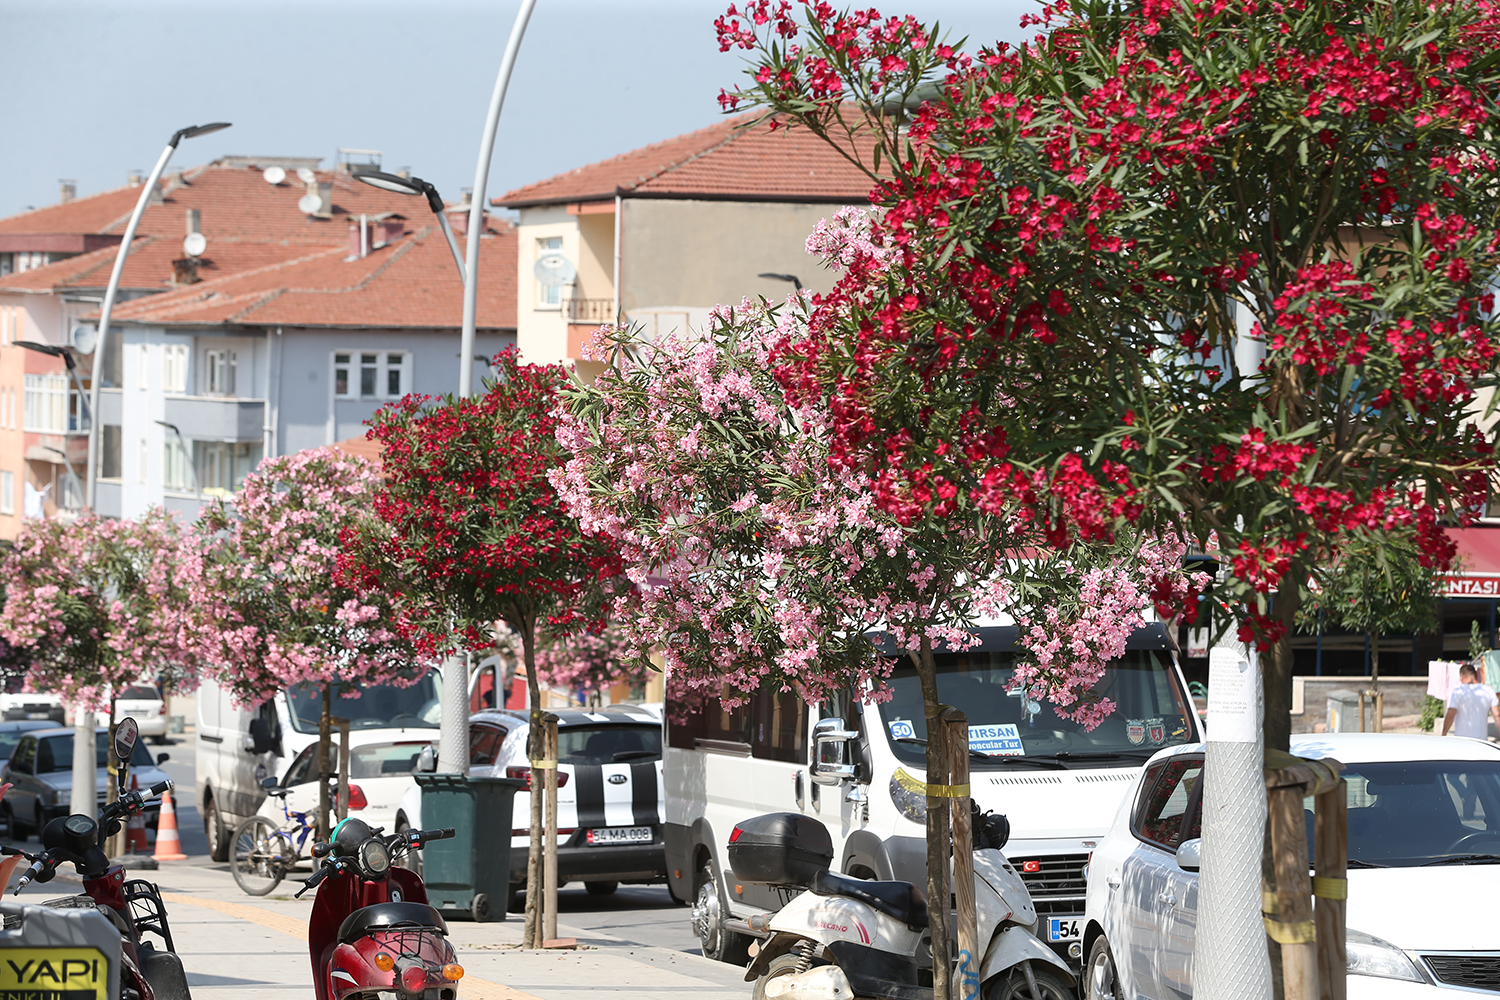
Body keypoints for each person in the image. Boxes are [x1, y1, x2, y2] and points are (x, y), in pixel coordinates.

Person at [1442, 664, 1500, 739]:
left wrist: (1444, 733)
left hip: (1462, 740)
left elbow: (1450, 715)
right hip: (1482, 741)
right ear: (1476, 675)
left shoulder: (1459, 691)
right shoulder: (1488, 690)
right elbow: (1497, 715)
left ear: (1462, 676)